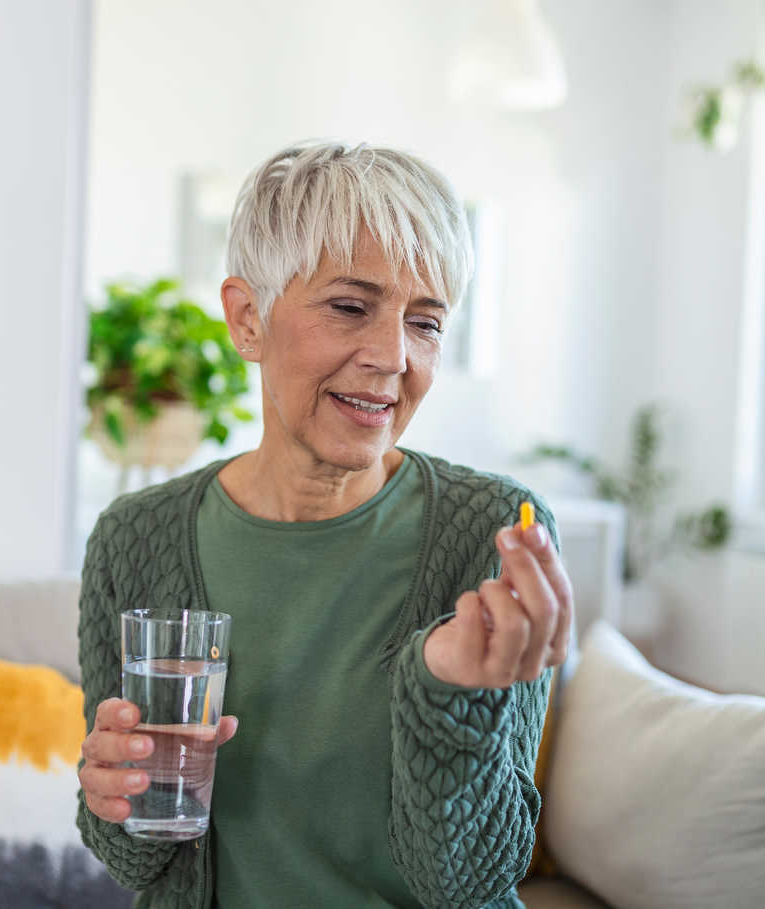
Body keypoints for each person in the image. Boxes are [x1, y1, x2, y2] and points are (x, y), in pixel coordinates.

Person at [76, 141, 573, 909]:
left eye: (426, 322)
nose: (392, 356)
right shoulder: (136, 537)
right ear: (248, 319)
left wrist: (447, 691)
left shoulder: (493, 532)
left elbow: (470, 881)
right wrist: (112, 788)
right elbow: (136, 859)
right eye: (351, 306)